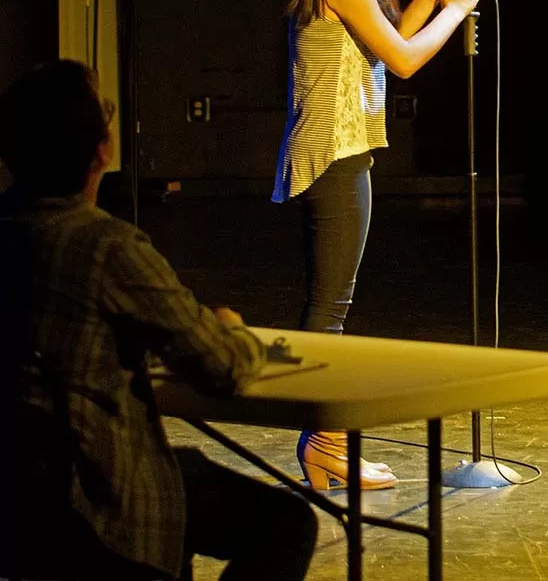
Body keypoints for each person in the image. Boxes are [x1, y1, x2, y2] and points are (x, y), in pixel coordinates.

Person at [0, 60, 317, 581]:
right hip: (97, 499)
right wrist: (231, 329)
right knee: (288, 522)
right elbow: (221, 368)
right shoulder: (105, 247)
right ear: (101, 150)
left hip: (21, 503)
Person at [270, 0, 486, 489]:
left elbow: (382, 44)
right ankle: (324, 444)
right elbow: (404, 59)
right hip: (333, 153)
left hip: (342, 150)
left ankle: (325, 442)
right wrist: (457, 9)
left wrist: (427, 0)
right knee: (329, 307)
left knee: (331, 303)